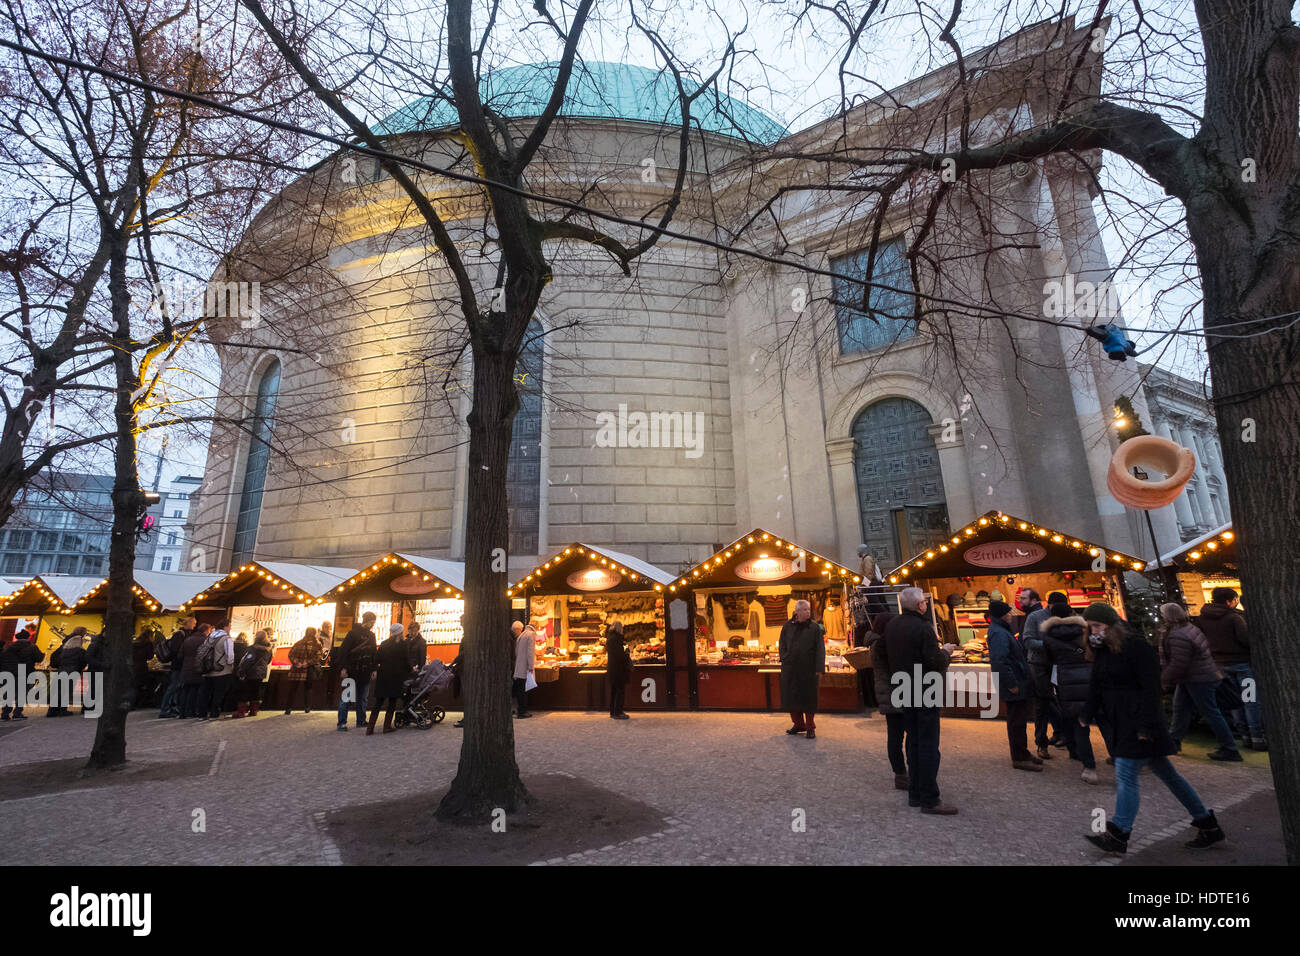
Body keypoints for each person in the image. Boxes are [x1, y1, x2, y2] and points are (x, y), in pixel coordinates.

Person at [1081, 602, 1226, 854]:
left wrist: (1146, 726)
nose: (1093, 631)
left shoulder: (1137, 647)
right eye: (1090, 627)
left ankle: (1119, 834)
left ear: (1111, 625)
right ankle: (1207, 824)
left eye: (1097, 626)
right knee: (1169, 775)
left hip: (1140, 721)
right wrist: (1087, 712)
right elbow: (1097, 683)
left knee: (1126, 775)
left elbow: (1151, 688)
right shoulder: (1103, 648)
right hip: (1121, 720)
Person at [884, 588, 957, 814]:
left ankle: (915, 793)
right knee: (927, 744)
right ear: (919, 606)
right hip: (924, 689)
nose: (926, 604)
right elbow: (934, 661)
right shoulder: (924, 628)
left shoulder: (893, 625)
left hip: (903, 687)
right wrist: (945, 652)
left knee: (913, 741)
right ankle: (929, 799)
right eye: (924, 601)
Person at [1159, 603, 1241, 761]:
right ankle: (1174, 741)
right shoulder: (1189, 628)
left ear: (1169, 616)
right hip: (1196, 676)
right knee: (1181, 708)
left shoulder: (1177, 635)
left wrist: (1164, 679)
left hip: (1198, 678)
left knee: (1209, 712)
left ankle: (1229, 747)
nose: (1162, 617)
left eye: (1163, 614)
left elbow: (1179, 663)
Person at [1197, 587, 1265, 751]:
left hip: (1220, 665)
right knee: (1250, 700)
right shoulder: (1234, 618)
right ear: (1229, 601)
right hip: (1242, 664)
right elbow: (1245, 638)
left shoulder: (1203, 618)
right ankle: (1257, 736)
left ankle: (1244, 735)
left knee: (1235, 701)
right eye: (1234, 600)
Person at [1042, 602, 1101, 782]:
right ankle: (1117, 756)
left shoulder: (1049, 635)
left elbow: (1048, 658)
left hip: (1065, 680)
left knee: (1077, 723)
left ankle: (1086, 764)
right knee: (1104, 720)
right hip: (1090, 677)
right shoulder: (1086, 630)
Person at [986, 600, 1041, 772]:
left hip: (1017, 680)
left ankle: (1023, 753)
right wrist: (1011, 684)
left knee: (1019, 719)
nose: (1011, 615)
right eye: (1009, 612)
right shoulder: (999, 633)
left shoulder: (1001, 630)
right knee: (1016, 721)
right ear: (1003, 615)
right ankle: (1019, 757)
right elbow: (1000, 661)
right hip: (1014, 682)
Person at [1019, 588, 1066, 759]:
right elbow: (1028, 640)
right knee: (1043, 702)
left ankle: (1065, 735)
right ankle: (1041, 743)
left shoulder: (1065, 615)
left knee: (1062, 701)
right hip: (1039, 663)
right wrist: (1048, 645)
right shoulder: (1035, 617)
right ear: (1050, 605)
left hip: (1060, 664)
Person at [867, 611, 907, 788]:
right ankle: (901, 774)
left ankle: (900, 773)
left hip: (889, 694)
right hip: (894, 694)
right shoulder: (883, 645)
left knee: (895, 736)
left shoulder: (876, 643)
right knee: (899, 737)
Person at [779, 600, 825, 738]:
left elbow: (820, 649)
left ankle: (810, 727)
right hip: (790, 669)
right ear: (797, 612)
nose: (807, 612)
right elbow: (782, 644)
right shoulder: (787, 626)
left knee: (808, 699)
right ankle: (798, 724)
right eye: (804, 610)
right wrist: (785, 657)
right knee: (792, 698)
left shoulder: (815, 628)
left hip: (808, 669)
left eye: (808, 609)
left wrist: (819, 668)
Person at [336, 612, 377, 731]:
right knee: (346, 698)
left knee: (363, 698)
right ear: (366, 621)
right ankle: (342, 723)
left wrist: (374, 668)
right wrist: (343, 668)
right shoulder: (352, 633)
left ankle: (361, 720)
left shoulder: (371, 635)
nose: (372, 624)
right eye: (371, 622)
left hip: (364, 671)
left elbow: (374, 653)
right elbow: (343, 651)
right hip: (352, 670)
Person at [369, 623, 413, 734]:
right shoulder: (403, 644)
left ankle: (370, 728)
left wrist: (375, 670)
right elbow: (407, 661)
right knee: (392, 701)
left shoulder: (384, 644)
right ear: (400, 633)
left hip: (383, 675)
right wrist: (411, 670)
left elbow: (376, 659)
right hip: (396, 676)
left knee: (378, 702)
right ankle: (386, 726)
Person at [0, 628, 44, 719]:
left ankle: (5, 714)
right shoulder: (32, 647)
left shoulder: (10, 648)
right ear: (28, 638)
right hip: (25, 672)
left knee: (8, 694)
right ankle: (17, 713)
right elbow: (39, 658)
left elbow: (4, 660)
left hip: (10, 673)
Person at [197, 620, 235, 719]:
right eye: (229, 626)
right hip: (221, 670)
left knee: (205, 693)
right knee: (218, 693)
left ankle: (202, 714)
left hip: (207, 669)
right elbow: (230, 656)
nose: (230, 628)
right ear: (225, 627)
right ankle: (214, 713)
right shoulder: (226, 639)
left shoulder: (209, 637)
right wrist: (231, 666)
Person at [48, 627, 89, 716]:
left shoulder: (64, 650)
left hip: (61, 670)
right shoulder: (81, 651)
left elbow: (56, 658)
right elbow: (83, 662)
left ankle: (52, 711)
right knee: (66, 691)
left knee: (58, 691)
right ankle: (62, 710)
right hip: (72, 672)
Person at [158, 617, 194, 718]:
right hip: (178, 666)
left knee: (176, 688)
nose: (194, 625)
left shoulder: (184, 634)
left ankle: (170, 707)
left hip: (179, 665)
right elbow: (176, 650)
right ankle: (164, 709)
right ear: (188, 623)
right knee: (173, 687)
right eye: (193, 623)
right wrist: (182, 657)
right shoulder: (180, 634)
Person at [233, 631, 273, 718]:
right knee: (256, 692)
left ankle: (241, 712)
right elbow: (268, 661)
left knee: (244, 692)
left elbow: (248, 660)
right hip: (261, 673)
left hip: (250, 673)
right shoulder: (269, 650)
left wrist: (242, 671)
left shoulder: (252, 648)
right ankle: (253, 711)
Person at [285, 627, 324, 714]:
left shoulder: (299, 643)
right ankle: (307, 708)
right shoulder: (317, 644)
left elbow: (291, 654)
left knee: (293, 689)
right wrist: (307, 663)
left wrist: (297, 663)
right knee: (308, 689)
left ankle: (288, 708)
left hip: (296, 669)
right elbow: (318, 656)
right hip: (308, 669)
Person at [179, 623, 210, 718]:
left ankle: (182, 712)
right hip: (198, 668)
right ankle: (191, 711)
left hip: (186, 668)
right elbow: (207, 656)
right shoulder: (205, 641)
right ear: (206, 631)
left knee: (185, 690)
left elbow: (180, 655)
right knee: (195, 691)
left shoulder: (188, 639)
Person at [605, 620, 632, 719]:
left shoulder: (609, 638)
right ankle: (618, 712)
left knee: (614, 692)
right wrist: (627, 652)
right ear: (619, 628)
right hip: (619, 669)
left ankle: (613, 712)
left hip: (612, 669)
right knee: (620, 691)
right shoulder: (617, 639)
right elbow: (620, 655)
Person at [513, 622, 535, 718]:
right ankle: (523, 711)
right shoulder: (531, 635)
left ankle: (520, 710)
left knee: (520, 689)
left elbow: (516, 651)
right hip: (525, 666)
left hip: (519, 666)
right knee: (523, 689)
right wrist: (531, 666)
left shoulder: (521, 635)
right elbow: (530, 651)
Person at [131, 627, 157, 708]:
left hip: (132, 666)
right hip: (142, 667)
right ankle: (141, 703)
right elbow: (150, 656)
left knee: (133, 685)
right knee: (143, 685)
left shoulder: (134, 642)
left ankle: (132, 703)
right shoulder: (148, 644)